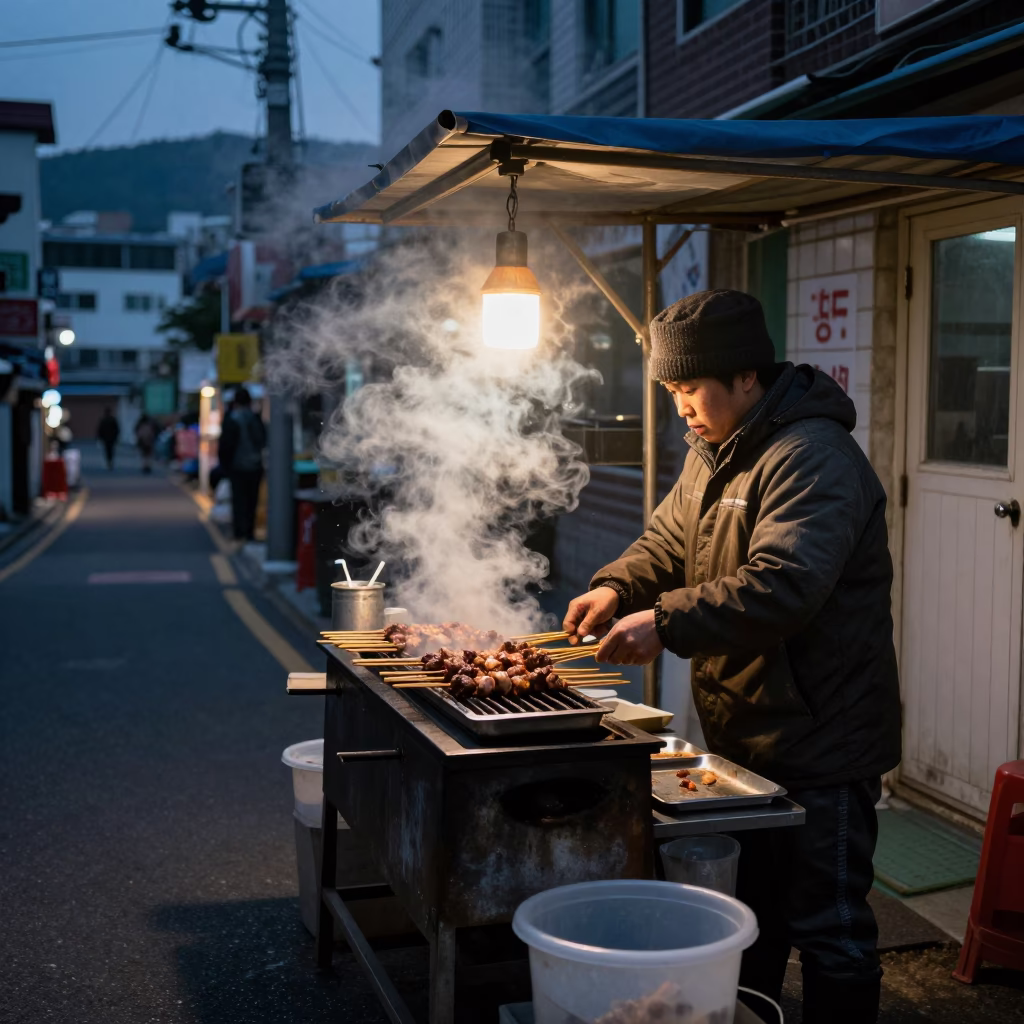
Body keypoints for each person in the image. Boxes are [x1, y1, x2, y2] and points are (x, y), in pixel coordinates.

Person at [563, 290, 902, 1024]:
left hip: (824, 739)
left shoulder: (811, 456)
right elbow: (666, 543)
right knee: (755, 914)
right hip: (748, 733)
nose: (680, 406)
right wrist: (617, 586)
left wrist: (666, 621)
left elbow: (784, 585)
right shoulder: (714, 454)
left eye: (689, 389)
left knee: (830, 927)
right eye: (671, 390)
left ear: (746, 377)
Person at [217, 387, 266, 542]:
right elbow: (263, 440)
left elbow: (225, 446)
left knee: (239, 500)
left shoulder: (231, 419)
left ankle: (239, 532)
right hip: (255, 466)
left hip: (237, 466)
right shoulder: (255, 418)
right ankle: (249, 532)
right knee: (252, 500)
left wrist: (225, 465)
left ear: (235, 402)